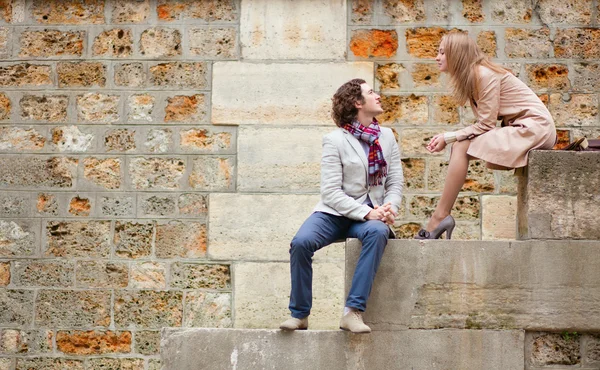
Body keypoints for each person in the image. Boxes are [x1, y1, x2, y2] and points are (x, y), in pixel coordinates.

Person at [279, 78, 404, 333]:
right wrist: (368, 212)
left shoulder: (388, 137)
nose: (377, 95)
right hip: (334, 214)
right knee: (301, 243)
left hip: (371, 217)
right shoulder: (334, 140)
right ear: (358, 102)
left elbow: (395, 181)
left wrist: (389, 207)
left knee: (379, 232)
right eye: (371, 92)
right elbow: (331, 192)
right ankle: (299, 314)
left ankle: (352, 312)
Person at [415, 32, 557, 240]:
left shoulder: (484, 75)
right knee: (460, 146)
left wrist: (449, 136)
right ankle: (440, 216)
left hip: (534, 129)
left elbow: (486, 125)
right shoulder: (476, 76)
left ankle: (440, 216)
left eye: (442, 52)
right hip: (526, 128)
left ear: (456, 54)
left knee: (460, 146)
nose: (437, 57)